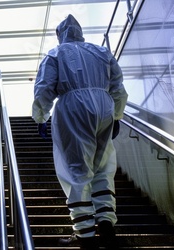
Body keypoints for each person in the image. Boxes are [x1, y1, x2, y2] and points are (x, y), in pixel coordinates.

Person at [31, 14, 128, 250]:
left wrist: (41, 116)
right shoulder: (101, 52)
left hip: (73, 107)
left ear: (60, 34)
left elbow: (45, 87)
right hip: (104, 105)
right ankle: (106, 222)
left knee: (76, 168)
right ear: (80, 31)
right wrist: (116, 114)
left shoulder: (56, 54)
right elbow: (118, 85)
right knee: (103, 165)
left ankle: (85, 232)